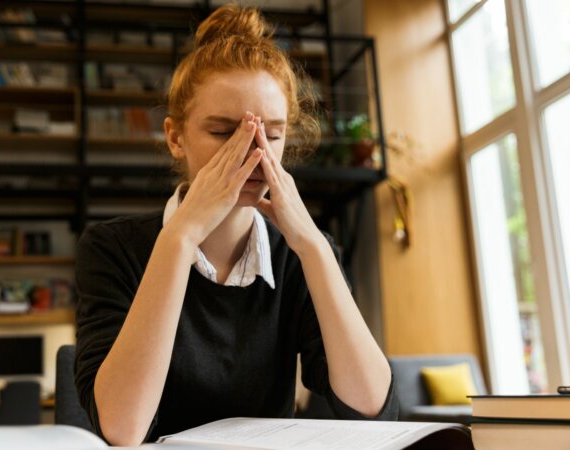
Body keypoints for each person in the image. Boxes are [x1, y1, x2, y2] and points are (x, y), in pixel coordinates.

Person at [74, 5, 397, 446]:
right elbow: (121, 429)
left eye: (274, 135)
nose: (252, 155)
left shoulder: (299, 256)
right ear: (175, 137)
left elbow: (371, 406)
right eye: (225, 132)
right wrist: (181, 237)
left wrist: (314, 246)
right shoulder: (111, 248)